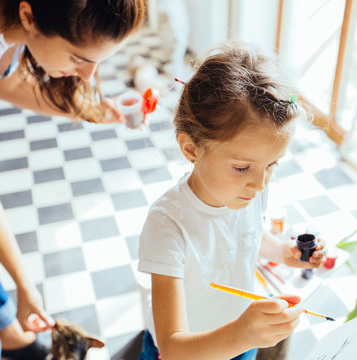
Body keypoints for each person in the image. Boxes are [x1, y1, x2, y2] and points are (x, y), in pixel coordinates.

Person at [0, 0, 146, 359]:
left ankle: (12, 342)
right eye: (78, 57)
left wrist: (96, 111)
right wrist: (25, 286)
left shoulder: (8, 15)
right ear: (29, 16)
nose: (86, 74)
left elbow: (5, 83)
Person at [137, 41, 326, 360]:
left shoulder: (250, 191)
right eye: (241, 167)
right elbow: (172, 347)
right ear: (191, 149)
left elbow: (246, 236)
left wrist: (282, 252)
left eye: (272, 164)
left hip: (240, 341)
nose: (260, 182)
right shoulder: (167, 224)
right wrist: (242, 334)